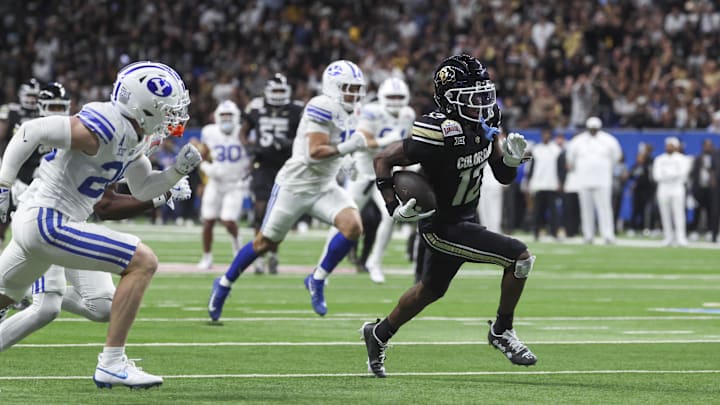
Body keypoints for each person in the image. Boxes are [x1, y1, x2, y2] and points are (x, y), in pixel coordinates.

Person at [0, 61, 201, 389]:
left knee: (14, 296)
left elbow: (142, 188)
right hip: (49, 221)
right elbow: (31, 131)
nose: (174, 116)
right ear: (143, 106)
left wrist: (175, 172)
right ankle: (111, 363)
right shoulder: (107, 122)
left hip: (50, 224)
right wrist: (4, 184)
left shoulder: (136, 134)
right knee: (143, 261)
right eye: (168, 109)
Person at [362, 54, 538, 378]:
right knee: (520, 258)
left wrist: (511, 162)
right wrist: (392, 207)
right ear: (449, 100)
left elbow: (501, 175)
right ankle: (502, 330)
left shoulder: (487, 119)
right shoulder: (437, 130)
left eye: (484, 95)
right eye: (472, 98)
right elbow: (383, 160)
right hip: (441, 225)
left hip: (465, 219)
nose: (482, 104)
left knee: (430, 291)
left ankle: (378, 334)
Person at [208, 60, 377, 321]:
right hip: (295, 186)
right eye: (348, 88)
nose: (353, 94)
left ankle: (317, 279)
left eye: (357, 89)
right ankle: (224, 283)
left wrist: (346, 163)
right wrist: (347, 150)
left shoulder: (352, 111)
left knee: (353, 226)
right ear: (332, 87)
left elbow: (336, 146)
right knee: (265, 243)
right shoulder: (321, 106)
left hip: (324, 186)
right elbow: (313, 153)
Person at [323, 76, 415, 284]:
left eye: (399, 96)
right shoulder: (372, 111)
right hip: (363, 173)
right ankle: (324, 265)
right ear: (382, 96)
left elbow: (408, 142)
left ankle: (375, 262)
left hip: (385, 174)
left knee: (392, 216)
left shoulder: (408, 114)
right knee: (343, 219)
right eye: (391, 96)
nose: (395, 100)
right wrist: (386, 141)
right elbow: (363, 141)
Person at [241, 73, 304, 274]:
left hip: (286, 167)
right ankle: (258, 258)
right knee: (260, 213)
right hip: (263, 165)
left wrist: (291, 142)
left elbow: (305, 135)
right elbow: (243, 132)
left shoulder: (296, 110)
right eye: (274, 90)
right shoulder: (256, 108)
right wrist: (249, 146)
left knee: (278, 215)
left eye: (280, 91)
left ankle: (274, 254)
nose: (277, 94)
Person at [196, 100, 251, 270]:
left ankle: (237, 248)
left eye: (230, 116)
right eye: (223, 116)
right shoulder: (209, 132)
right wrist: (205, 168)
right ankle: (207, 257)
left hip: (235, 183)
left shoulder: (243, 132)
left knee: (228, 220)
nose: (226, 119)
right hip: (215, 182)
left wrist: (247, 175)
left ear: (237, 117)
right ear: (217, 117)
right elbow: (202, 155)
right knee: (208, 221)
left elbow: (251, 155)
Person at [566, 116, 622, 244]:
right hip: (584, 179)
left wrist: (607, 168)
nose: (593, 131)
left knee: (605, 208)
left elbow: (616, 158)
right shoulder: (578, 141)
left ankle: (608, 235)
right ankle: (588, 235)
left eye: (595, 129)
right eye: (591, 129)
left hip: (603, 179)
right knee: (586, 209)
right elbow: (570, 159)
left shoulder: (609, 140)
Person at [0, 78, 42, 248]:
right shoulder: (11, 111)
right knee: (3, 212)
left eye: (34, 96)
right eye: (29, 95)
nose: (32, 99)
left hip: (36, 170)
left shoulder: (42, 112)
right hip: (13, 168)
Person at [653, 137, 691, 246]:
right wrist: (672, 175)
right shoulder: (659, 159)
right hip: (663, 189)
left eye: (671, 145)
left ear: (676, 146)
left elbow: (683, 174)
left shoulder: (682, 159)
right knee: (665, 214)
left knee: (679, 213)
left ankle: (681, 238)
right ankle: (668, 237)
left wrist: (667, 175)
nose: (669, 147)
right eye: (667, 145)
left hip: (677, 188)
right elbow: (657, 176)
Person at [526, 127, 562, 240]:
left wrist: (560, 182)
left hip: (552, 184)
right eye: (544, 134)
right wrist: (529, 182)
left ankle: (554, 232)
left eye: (547, 134)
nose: (545, 136)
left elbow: (560, 168)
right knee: (537, 211)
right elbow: (532, 168)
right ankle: (536, 232)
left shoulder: (556, 149)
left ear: (550, 136)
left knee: (553, 211)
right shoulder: (536, 149)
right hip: (538, 184)